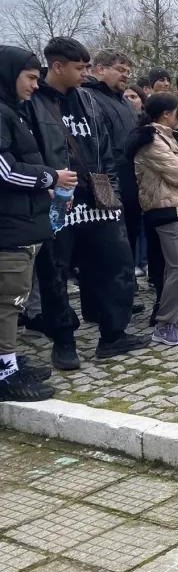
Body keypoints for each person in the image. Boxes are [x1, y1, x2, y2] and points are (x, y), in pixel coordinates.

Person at [29, 37, 150, 368]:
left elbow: (106, 148)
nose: (86, 74)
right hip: (56, 203)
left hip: (98, 199)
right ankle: (64, 341)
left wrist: (111, 191)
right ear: (57, 66)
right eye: (80, 68)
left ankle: (113, 335)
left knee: (116, 265)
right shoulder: (32, 100)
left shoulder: (90, 101)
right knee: (55, 271)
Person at [0, 45, 71, 401]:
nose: (35, 84)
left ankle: (9, 362)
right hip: (8, 228)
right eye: (29, 77)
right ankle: (4, 375)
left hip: (20, 223)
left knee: (12, 301)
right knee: (5, 303)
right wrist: (50, 177)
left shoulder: (14, 112)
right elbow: (5, 170)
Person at [129, 93, 178, 346]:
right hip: (166, 210)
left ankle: (173, 317)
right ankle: (164, 324)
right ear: (166, 114)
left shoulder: (173, 137)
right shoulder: (151, 140)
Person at [84, 51, 142, 265]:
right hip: (105, 181)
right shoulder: (87, 98)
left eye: (128, 71)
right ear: (100, 69)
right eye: (120, 70)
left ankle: (127, 284)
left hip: (131, 178)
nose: (126, 75)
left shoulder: (125, 103)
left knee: (130, 234)